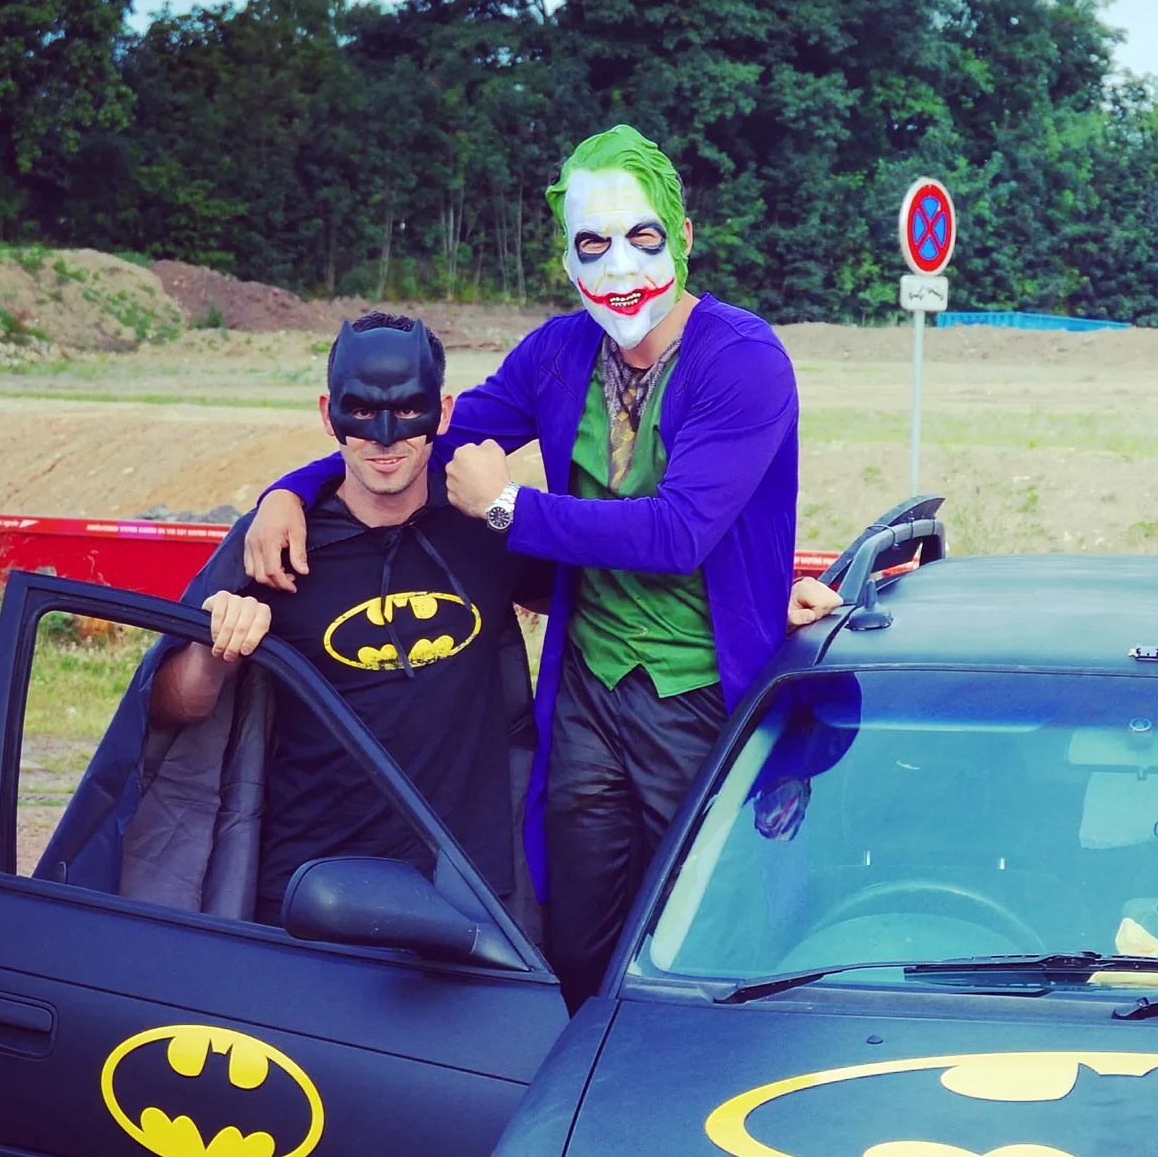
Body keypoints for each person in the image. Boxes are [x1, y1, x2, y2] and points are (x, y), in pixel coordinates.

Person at [241, 123, 839, 1006]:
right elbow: (416, 431)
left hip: (704, 691)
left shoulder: (743, 361)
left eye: (642, 238)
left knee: (696, 926)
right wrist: (291, 489)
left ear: (682, 236)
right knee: (578, 929)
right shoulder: (561, 353)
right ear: (566, 258)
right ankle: (571, 1094)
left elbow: (679, 533)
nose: (620, 266)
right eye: (592, 244)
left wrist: (508, 508)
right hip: (590, 696)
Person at [150, 311, 546, 1157]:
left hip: (467, 896)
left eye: (407, 413)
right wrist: (219, 649)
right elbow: (167, 706)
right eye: (359, 416)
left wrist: (783, 587)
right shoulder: (282, 544)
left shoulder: (483, 531)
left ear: (440, 413)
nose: (384, 439)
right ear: (330, 415)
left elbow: (632, 588)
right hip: (311, 901)